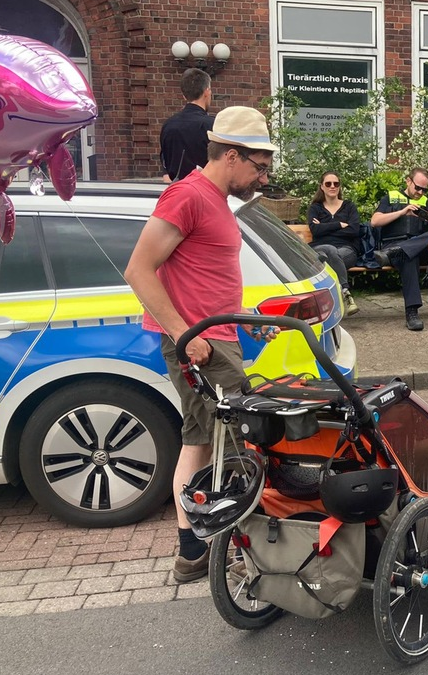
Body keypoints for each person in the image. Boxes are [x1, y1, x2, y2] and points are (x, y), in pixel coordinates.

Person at [125, 106, 280, 583]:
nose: (262, 177)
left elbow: (205, 279)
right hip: (202, 345)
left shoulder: (213, 200)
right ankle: (228, 549)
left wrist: (246, 320)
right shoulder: (187, 195)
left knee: (202, 439)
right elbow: (138, 270)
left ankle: (194, 550)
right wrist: (184, 336)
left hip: (215, 337)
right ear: (231, 155)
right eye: (259, 167)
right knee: (237, 442)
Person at [369, 168, 428, 331]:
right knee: (409, 257)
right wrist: (402, 212)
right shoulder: (390, 197)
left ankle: (401, 250)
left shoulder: (427, 203)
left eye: (424, 189)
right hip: (393, 244)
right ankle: (412, 312)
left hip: (418, 248)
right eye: (418, 188)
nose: (420, 192)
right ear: (408, 181)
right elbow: (375, 221)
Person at [307, 171, 361, 317]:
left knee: (325, 259)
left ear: (339, 186)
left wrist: (324, 227)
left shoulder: (349, 206)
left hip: (346, 249)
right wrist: (339, 224)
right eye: (328, 183)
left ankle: (323, 305)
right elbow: (315, 230)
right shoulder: (315, 208)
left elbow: (354, 230)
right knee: (328, 250)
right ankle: (346, 293)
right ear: (322, 187)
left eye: (336, 183)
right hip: (321, 248)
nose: (332, 186)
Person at [159, 68, 214, 182]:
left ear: (184, 95)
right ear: (207, 92)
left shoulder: (168, 125)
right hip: (205, 188)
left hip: (176, 188)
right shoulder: (212, 125)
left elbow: (165, 165)